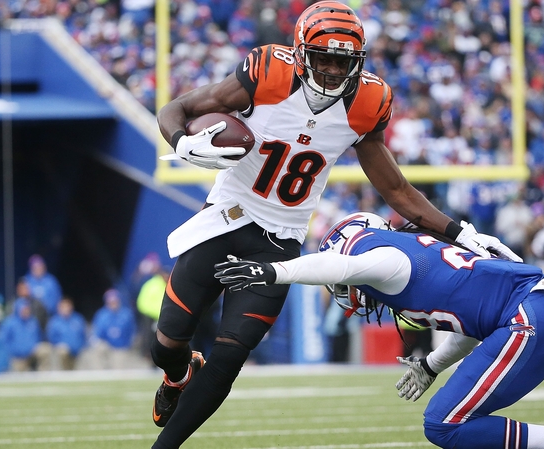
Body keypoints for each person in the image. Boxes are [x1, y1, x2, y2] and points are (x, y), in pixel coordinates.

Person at [149, 2, 510, 447]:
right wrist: (182, 140)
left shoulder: (367, 103)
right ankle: (180, 373)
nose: (332, 70)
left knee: (231, 354)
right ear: (301, 53)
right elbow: (177, 107)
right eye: (323, 57)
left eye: (342, 61)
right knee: (164, 344)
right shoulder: (266, 72)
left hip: (279, 240)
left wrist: (461, 233)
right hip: (225, 217)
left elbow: (396, 190)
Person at [214, 212, 544, 449]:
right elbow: (474, 323)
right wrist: (430, 363)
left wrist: (275, 270)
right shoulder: (412, 253)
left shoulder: (383, 260)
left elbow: (340, 271)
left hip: (532, 316)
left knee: (443, 426)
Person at [0, 298, 51, 372]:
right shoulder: (9, 323)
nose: (26, 311)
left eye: (27, 309)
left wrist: (32, 347)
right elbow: (5, 341)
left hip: (32, 352)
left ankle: (43, 374)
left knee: (45, 350)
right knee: (19, 376)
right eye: (23, 309)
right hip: (18, 356)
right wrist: (16, 351)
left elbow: (39, 337)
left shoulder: (33, 321)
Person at [90, 288, 136, 369]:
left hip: (121, 347)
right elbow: (97, 334)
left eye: (115, 301)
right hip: (107, 347)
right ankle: (101, 371)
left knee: (119, 368)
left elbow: (131, 332)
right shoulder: (101, 315)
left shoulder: (126, 314)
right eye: (110, 302)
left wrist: (127, 345)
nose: (113, 304)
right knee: (99, 348)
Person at [45, 297, 87, 370]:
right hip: (63, 353)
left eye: (67, 306)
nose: (65, 309)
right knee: (62, 351)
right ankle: (64, 372)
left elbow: (84, 335)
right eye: (63, 307)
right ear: (59, 308)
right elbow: (51, 338)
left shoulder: (78, 319)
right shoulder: (54, 322)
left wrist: (82, 346)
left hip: (78, 351)